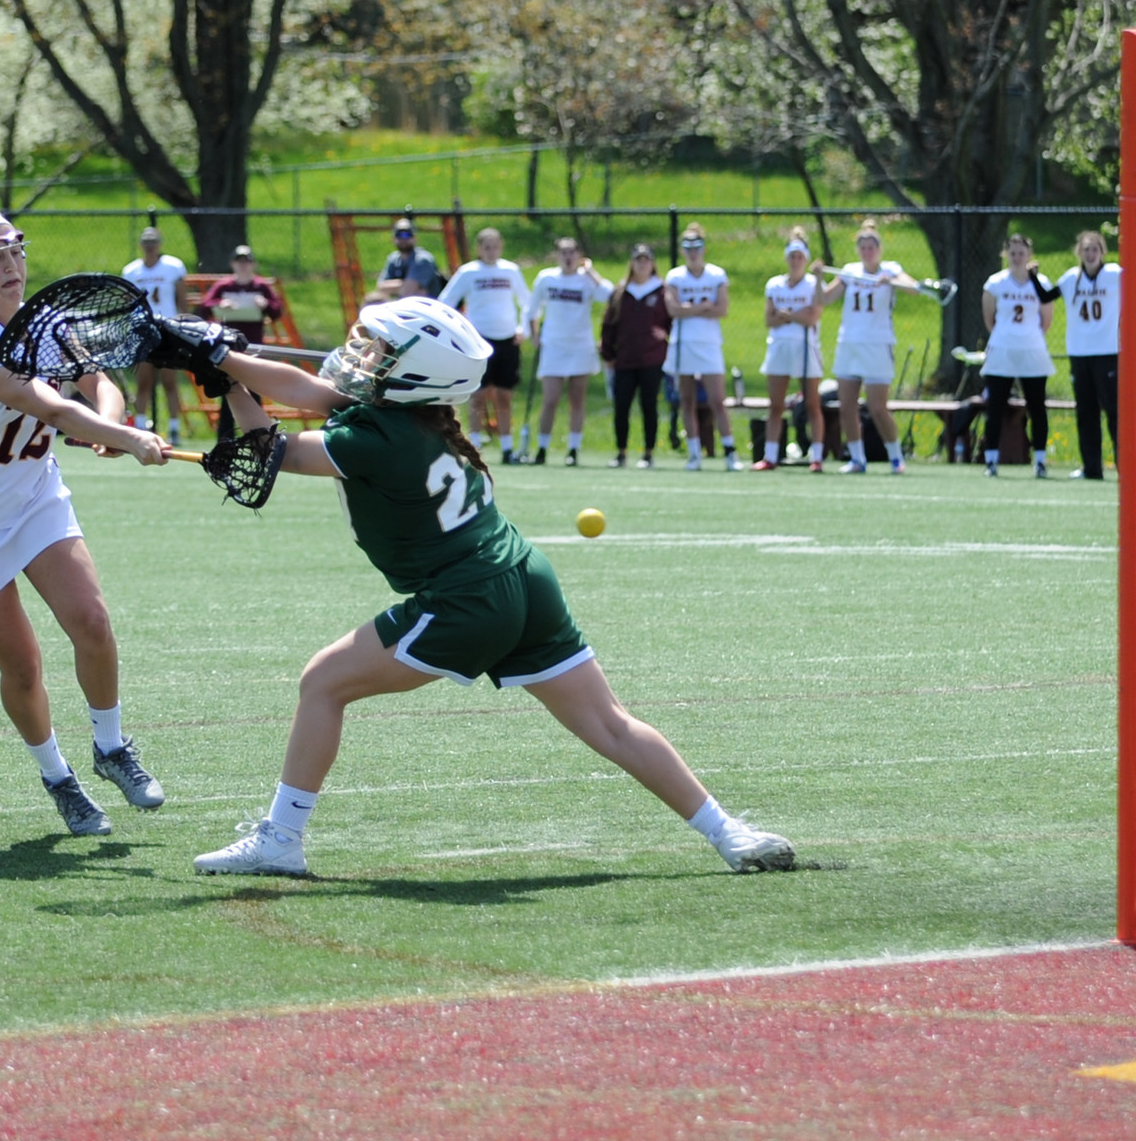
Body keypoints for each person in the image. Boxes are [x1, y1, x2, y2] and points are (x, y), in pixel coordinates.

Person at [187, 297, 796, 877]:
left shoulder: (377, 437)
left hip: (467, 597)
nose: (364, 355)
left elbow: (273, 452)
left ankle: (281, 839)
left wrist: (225, 368)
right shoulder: (408, 416)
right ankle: (729, 833)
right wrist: (227, 364)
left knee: (323, 682)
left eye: (381, 351)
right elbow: (304, 392)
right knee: (609, 723)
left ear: (415, 374)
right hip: (524, 577)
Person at [0, 208, 171, 836]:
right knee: (24, 666)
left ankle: (111, 747)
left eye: (16, 252)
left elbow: (97, 384)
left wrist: (113, 423)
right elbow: (51, 406)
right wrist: (125, 438)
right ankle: (59, 779)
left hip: (35, 498)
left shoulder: (46, 324)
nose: (11, 266)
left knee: (93, 622)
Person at [815, 219, 926, 474]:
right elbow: (825, 299)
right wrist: (818, 278)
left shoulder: (891, 269)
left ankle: (896, 457)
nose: (867, 252)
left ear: (879, 249)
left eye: (871, 248)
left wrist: (891, 281)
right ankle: (857, 459)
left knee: (877, 407)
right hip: (849, 344)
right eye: (863, 248)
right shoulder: (850, 271)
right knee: (847, 406)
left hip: (877, 345)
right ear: (858, 250)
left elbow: (914, 288)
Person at [1029, 231, 1121, 480]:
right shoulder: (1071, 278)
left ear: (1102, 252)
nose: (1090, 254)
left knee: (1114, 411)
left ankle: (1125, 467)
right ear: (1079, 252)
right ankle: (1092, 468)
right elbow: (1047, 296)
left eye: (1095, 249)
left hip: (1108, 352)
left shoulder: (1115, 274)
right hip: (1080, 353)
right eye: (1086, 249)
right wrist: (1033, 277)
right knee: (1086, 412)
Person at [439, 227, 531, 464]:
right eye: (486, 247)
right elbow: (446, 302)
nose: (491, 251)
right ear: (479, 249)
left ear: (501, 247)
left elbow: (527, 303)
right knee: (478, 395)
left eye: (495, 246)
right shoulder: (468, 272)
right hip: (479, 341)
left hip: (508, 340)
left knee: (504, 395)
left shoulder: (510, 270)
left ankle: (507, 448)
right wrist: (461, 332)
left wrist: (524, 329)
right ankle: (474, 446)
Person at [525, 237, 612, 465]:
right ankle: (542, 448)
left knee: (577, 400)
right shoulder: (546, 278)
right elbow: (532, 310)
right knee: (550, 399)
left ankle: (573, 449)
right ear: (557, 255)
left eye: (572, 252)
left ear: (579, 255)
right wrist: (534, 334)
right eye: (563, 252)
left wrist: (591, 272)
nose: (568, 257)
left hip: (580, 346)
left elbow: (610, 295)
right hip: (554, 345)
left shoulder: (586, 280)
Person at [664, 224, 742, 471]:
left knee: (717, 400)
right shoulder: (675, 276)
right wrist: (703, 307)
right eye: (687, 247)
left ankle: (730, 452)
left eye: (696, 247)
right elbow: (673, 309)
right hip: (683, 343)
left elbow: (722, 309)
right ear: (682, 250)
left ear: (704, 248)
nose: (692, 252)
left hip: (708, 344)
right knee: (686, 400)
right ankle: (694, 454)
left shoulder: (717, 275)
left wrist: (690, 309)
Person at [979, 233, 1056, 478]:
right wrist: (1008, 336)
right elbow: (989, 319)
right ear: (1006, 254)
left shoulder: (1041, 282)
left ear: (1029, 255)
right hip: (1002, 349)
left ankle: (1040, 461)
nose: (1017, 257)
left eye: (1021, 253)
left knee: (1037, 406)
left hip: (1032, 350)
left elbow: (1046, 320)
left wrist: (1027, 337)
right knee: (995, 406)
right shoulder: (995, 283)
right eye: (1012, 253)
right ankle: (991, 460)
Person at [199, 244, 286, 442]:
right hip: (229, 348)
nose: (243, 265)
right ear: (233, 264)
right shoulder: (224, 286)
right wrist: (220, 305)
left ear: (253, 264)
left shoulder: (261, 286)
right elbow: (205, 307)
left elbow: (277, 311)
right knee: (228, 392)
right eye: (239, 261)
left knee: (254, 393)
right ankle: (225, 440)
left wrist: (265, 304)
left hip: (252, 347)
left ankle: (259, 439)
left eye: (247, 262)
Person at [756, 227, 825, 472]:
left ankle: (817, 457)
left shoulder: (813, 284)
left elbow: (813, 316)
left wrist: (788, 315)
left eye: (800, 257)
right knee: (775, 405)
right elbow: (769, 319)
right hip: (779, 347)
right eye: (792, 256)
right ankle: (770, 456)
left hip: (805, 347)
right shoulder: (775, 285)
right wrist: (796, 315)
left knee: (812, 404)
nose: (795, 261)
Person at [599, 243, 671, 469]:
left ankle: (648, 453)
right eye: (638, 260)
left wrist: (666, 335)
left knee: (649, 405)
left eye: (646, 260)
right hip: (625, 359)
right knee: (621, 406)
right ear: (632, 263)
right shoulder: (621, 291)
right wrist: (608, 353)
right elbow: (608, 325)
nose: (642, 264)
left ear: (653, 263)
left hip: (652, 359)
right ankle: (621, 452)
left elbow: (672, 320)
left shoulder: (662, 291)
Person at [123, 226, 188, 444]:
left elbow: (182, 299)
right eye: (146, 242)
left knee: (170, 381)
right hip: (144, 330)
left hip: (168, 329)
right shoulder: (132, 271)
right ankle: (140, 426)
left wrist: (184, 325)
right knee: (143, 381)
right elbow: (128, 303)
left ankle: (174, 428)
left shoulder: (173, 266)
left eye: (153, 242)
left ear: (159, 244)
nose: (150, 247)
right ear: (141, 245)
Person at [375, 217, 445, 300]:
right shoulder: (393, 259)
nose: (403, 238)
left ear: (415, 238)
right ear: (393, 239)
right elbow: (381, 288)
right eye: (399, 235)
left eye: (408, 234)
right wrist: (408, 286)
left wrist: (394, 288)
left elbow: (408, 291)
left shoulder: (422, 260)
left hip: (428, 306)